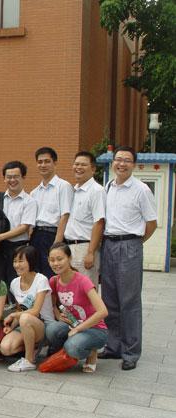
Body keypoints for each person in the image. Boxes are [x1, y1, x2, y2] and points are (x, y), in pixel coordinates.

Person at [99, 146, 157, 371]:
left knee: (129, 302)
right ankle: (113, 345)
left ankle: (131, 351)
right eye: (118, 159)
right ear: (113, 162)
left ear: (134, 164)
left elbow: (151, 223)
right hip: (109, 245)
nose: (121, 164)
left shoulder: (141, 190)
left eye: (127, 160)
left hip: (130, 245)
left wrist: (135, 243)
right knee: (110, 300)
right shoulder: (108, 187)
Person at [46, 243, 108, 373]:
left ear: (69, 258)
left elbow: (103, 311)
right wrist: (58, 315)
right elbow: (53, 304)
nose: (56, 263)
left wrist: (78, 329)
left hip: (95, 328)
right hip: (72, 324)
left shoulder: (83, 281)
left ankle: (92, 351)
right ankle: (69, 349)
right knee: (51, 330)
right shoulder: (54, 281)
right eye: (52, 260)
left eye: (60, 259)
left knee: (73, 347)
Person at [0, 161, 37, 287]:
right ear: (4, 178)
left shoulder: (29, 201)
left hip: (18, 248)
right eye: (9, 177)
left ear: (23, 177)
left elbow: (24, 227)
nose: (12, 180)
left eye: (16, 176)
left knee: (16, 281)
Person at [0, 245, 54, 372]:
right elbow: (20, 309)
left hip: (44, 326)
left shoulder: (41, 280)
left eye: (21, 261)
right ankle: (34, 347)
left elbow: (35, 311)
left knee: (25, 318)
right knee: (6, 348)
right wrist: (12, 326)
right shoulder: (14, 283)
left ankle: (29, 360)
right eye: (15, 261)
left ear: (31, 261)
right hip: (25, 324)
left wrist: (13, 315)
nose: (17, 265)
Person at [64, 151, 106, 287]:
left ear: (93, 169)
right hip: (69, 248)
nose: (78, 167)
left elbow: (99, 222)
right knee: (71, 291)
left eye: (83, 165)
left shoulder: (96, 191)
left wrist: (90, 253)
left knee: (86, 290)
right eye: (76, 164)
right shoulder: (74, 190)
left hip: (84, 248)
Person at [30, 147, 73, 277]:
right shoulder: (34, 192)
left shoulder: (63, 186)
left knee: (53, 275)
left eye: (47, 161)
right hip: (36, 236)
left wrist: (57, 244)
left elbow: (65, 215)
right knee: (36, 275)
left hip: (53, 235)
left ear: (55, 163)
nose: (43, 165)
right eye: (40, 162)